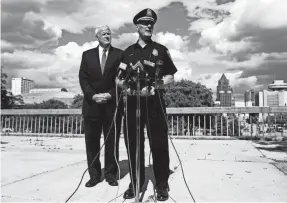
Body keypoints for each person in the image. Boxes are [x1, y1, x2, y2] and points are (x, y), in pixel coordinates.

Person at [116, 8, 177, 201]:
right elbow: (118, 79)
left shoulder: (161, 50)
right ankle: (136, 183)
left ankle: (161, 185)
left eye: (151, 23)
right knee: (134, 145)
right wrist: (127, 86)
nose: (149, 26)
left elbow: (170, 77)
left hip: (155, 103)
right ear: (137, 26)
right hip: (133, 104)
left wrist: (156, 85)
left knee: (159, 145)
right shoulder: (128, 52)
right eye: (145, 23)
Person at [79, 25, 123, 188]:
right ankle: (94, 175)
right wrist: (92, 95)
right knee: (91, 142)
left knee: (112, 141)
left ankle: (111, 174)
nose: (107, 35)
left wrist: (111, 94)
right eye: (103, 33)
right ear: (96, 36)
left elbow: (122, 79)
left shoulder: (119, 54)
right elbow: (83, 79)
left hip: (112, 106)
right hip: (92, 106)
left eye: (109, 33)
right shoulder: (87, 55)